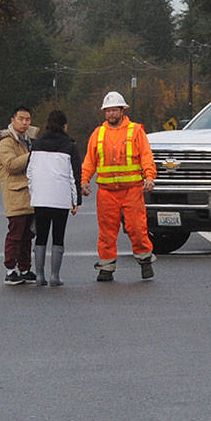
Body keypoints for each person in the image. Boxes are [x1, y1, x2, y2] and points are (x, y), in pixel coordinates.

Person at [80, 91, 157, 282]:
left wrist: (149, 176)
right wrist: (84, 180)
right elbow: (90, 160)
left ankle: (145, 261)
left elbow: (146, 156)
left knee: (137, 228)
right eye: (108, 111)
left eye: (114, 110)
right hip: (107, 192)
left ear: (122, 110)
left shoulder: (136, 131)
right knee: (107, 232)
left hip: (132, 190)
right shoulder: (98, 134)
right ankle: (106, 268)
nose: (111, 114)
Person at [26, 110, 82, 286]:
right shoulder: (70, 146)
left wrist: (33, 192)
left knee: (41, 236)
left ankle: (40, 276)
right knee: (58, 236)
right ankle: (55, 276)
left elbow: (29, 172)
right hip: (61, 198)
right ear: (65, 126)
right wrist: (76, 200)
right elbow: (74, 176)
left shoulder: (37, 145)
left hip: (41, 198)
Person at [0, 105, 38, 284]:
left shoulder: (29, 140)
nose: (24, 123)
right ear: (12, 120)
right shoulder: (6, 142)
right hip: (15, 196)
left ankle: (25, 268)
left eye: (27, 119)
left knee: (28, 235)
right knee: (15, 234)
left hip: (30, 196)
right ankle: (10, 269)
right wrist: (31, 155)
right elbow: (11, 165)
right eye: (21, 119)